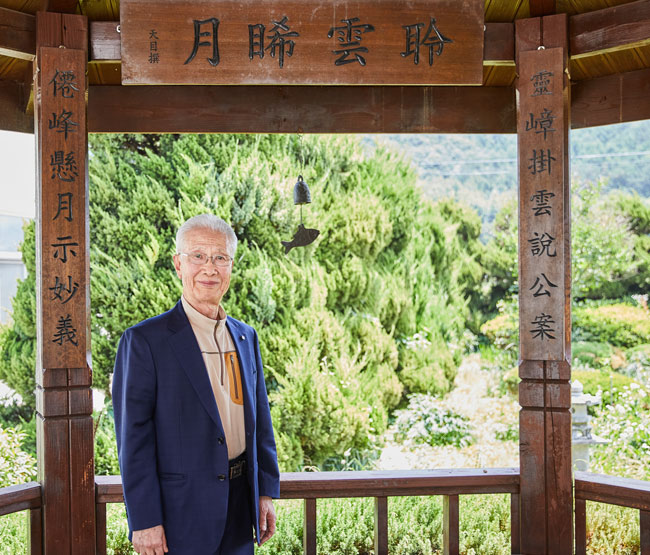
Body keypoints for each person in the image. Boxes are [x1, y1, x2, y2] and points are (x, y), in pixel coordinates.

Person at [112, 214, 280, 555]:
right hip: (179, 513)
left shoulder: (246, 336)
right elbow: (133, 439)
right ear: (178, 264)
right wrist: (144, 520)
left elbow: (261, 421)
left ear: (231, 266)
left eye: (220, 258)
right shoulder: (144, 341)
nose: (209, 268)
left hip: (240, 505)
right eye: (198, 256)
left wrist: (264, 492)